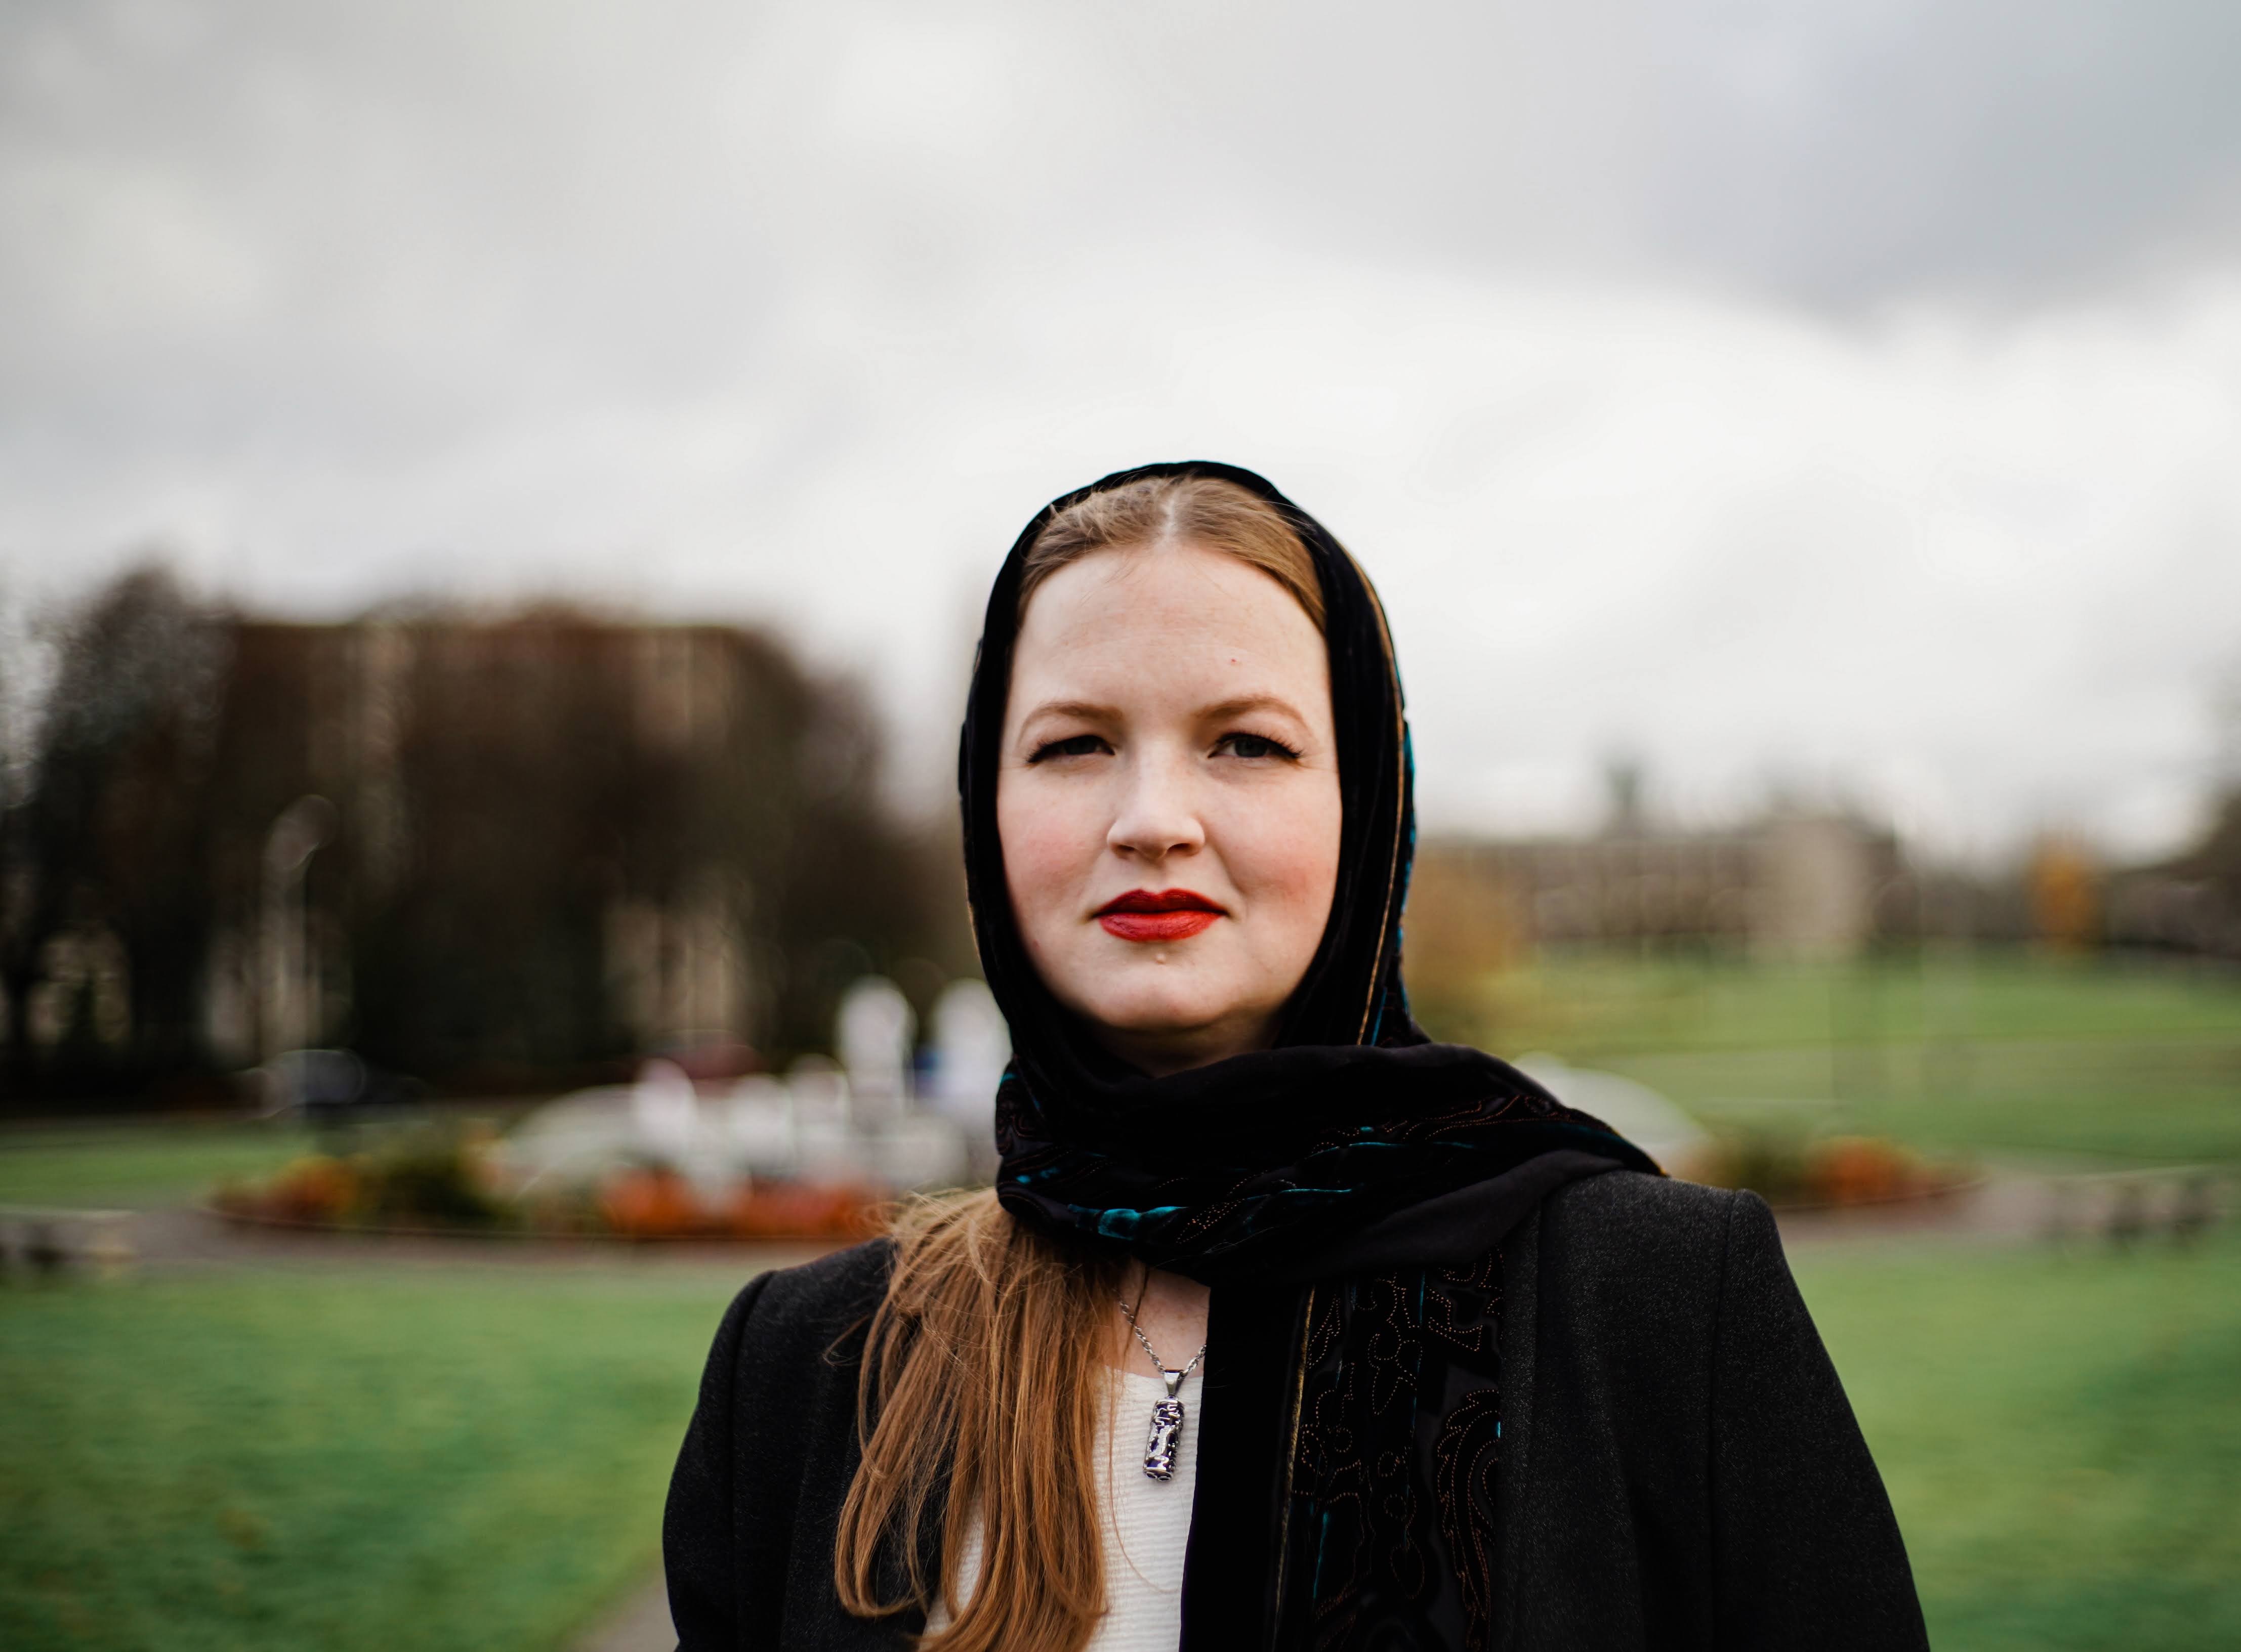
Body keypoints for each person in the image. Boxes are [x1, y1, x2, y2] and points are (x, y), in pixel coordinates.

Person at [663, 461, 1929, 1652]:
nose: (1153, 819)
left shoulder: (1653, 1304)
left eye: (1246, 743)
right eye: (1072, 744)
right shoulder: (811, 1365)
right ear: (983, 809)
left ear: (1368, 799)